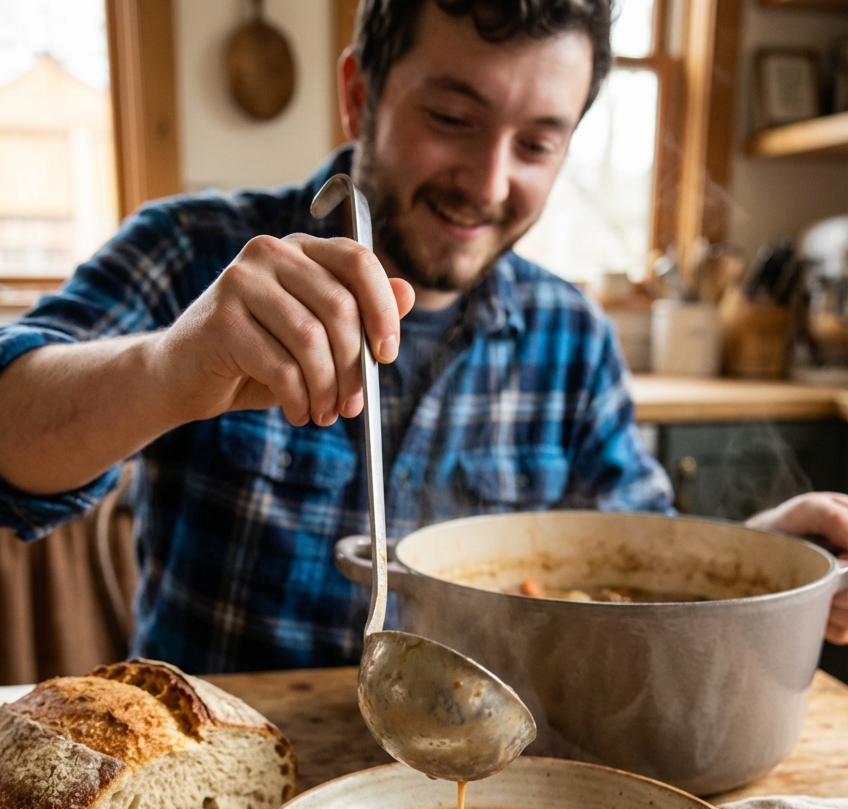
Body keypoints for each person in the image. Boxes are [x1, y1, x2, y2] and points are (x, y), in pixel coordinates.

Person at [0, 0, 845, 672]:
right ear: (360, 94)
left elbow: (633, 577)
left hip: (475, 797)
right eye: (452, 116)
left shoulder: (572, 338)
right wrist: (170, 364)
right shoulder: (191, 250)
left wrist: (770, 569)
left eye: (538, 143)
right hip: (216, 789)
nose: (487, 182)